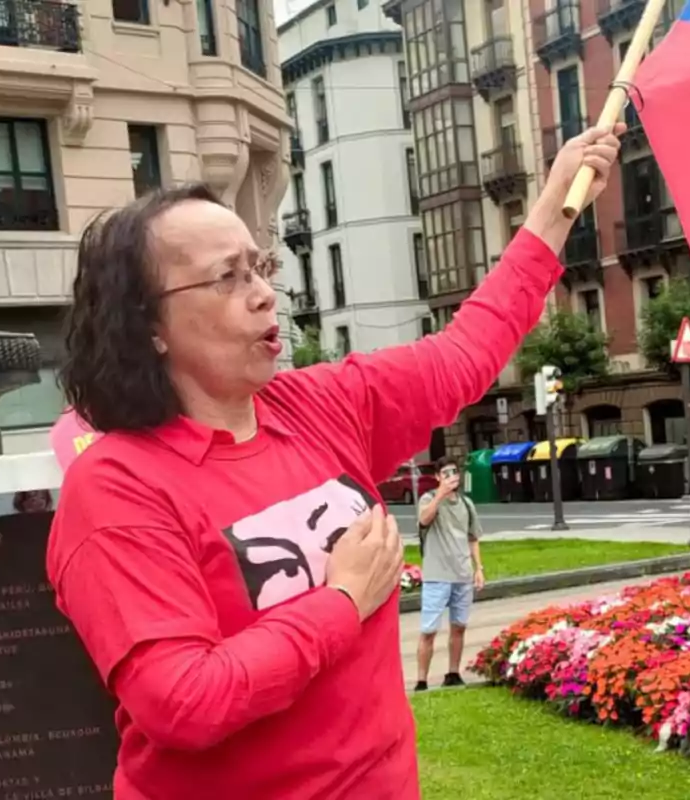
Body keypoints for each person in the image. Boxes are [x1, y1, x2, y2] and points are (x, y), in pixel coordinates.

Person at [46, 124, 623, 799]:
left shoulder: (318, 405)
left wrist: (555, 205)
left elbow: (465, 354)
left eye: (260, 267)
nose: (263, 293)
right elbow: (183, 702)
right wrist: (342, 602)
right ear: (146, 325)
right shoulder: (118, 486)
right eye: (227, 278)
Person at [414, 455, 483, 692]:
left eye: (454, 472)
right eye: (445, 473)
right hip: (437, 575)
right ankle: (421, 680)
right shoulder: (429, 498)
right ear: (437, 477)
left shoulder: (466, 504)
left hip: (462, 574)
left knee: (459, 627)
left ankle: (453, 673)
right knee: (429, 630)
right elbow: (423, 519)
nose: (451, 477)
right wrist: (441, 494)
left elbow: (473, 538)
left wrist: (479, 569)